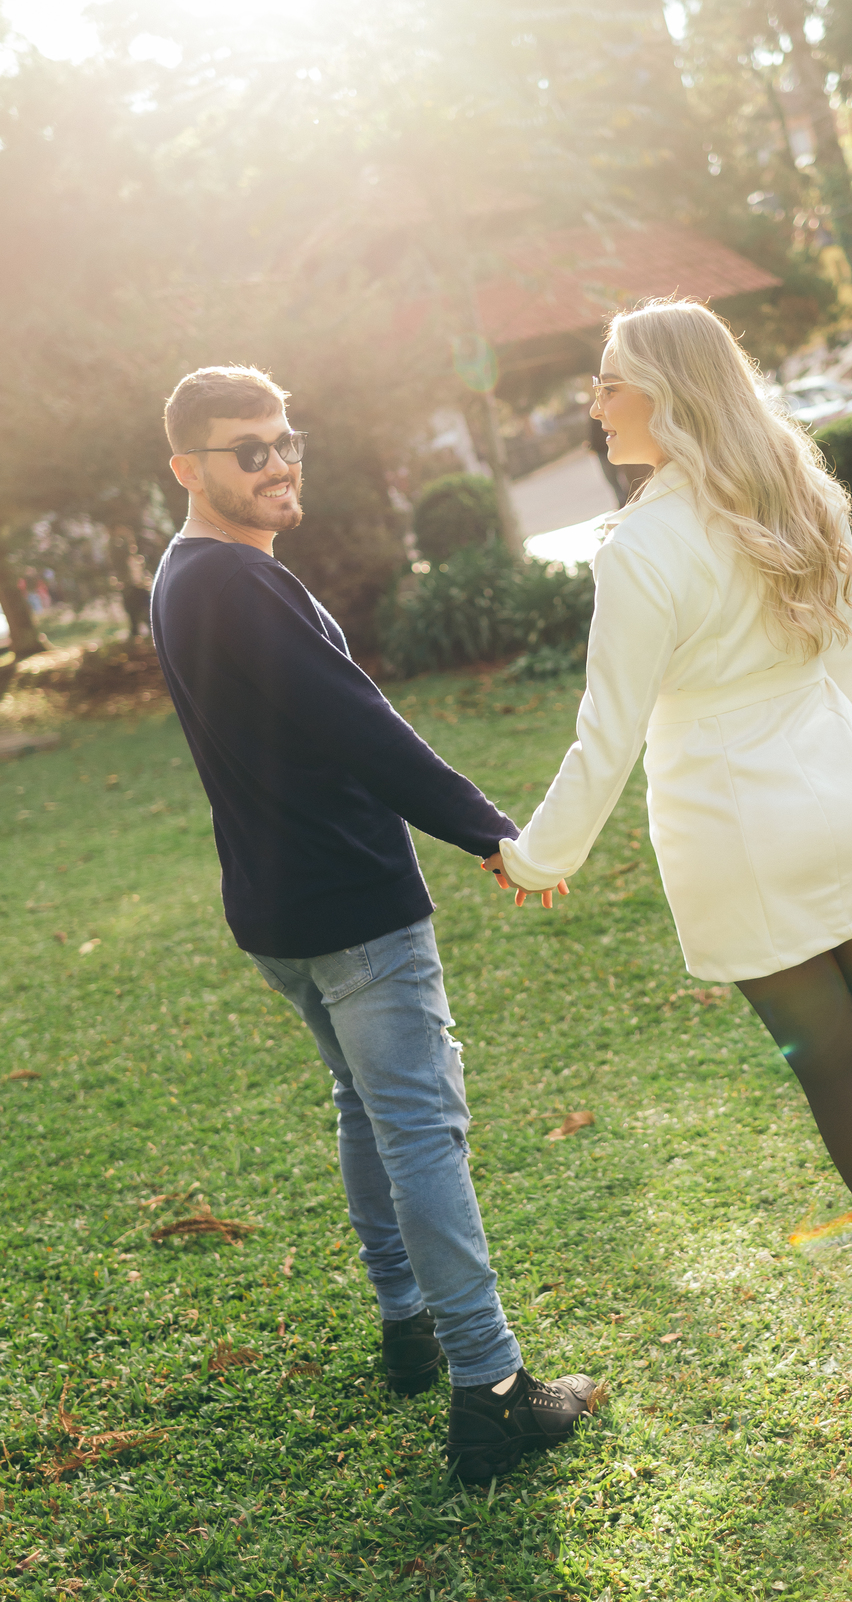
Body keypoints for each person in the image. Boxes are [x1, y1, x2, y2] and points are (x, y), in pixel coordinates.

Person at [483, 302, 852, 1394]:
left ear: (667, 392)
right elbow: (842, 657)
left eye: (608, 383)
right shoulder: (803, 491)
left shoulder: (641, 545)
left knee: (833, 1066)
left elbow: (609, 731)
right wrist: (839, 761)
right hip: (850, 787)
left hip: (737, 826)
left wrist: (536, 857)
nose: (593, 405)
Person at [150, 364, 599, 1482]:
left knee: (366, 1107)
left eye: (285, 437)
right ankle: (489, 1388)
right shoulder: (236, 583)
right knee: (421, 1132)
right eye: (248, 448)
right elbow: (363, 727)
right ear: (187, 469)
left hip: (278, 911)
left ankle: (407, 1322)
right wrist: (493, 833)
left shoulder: (183, 575)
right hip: (349, 904)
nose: (277, 461)